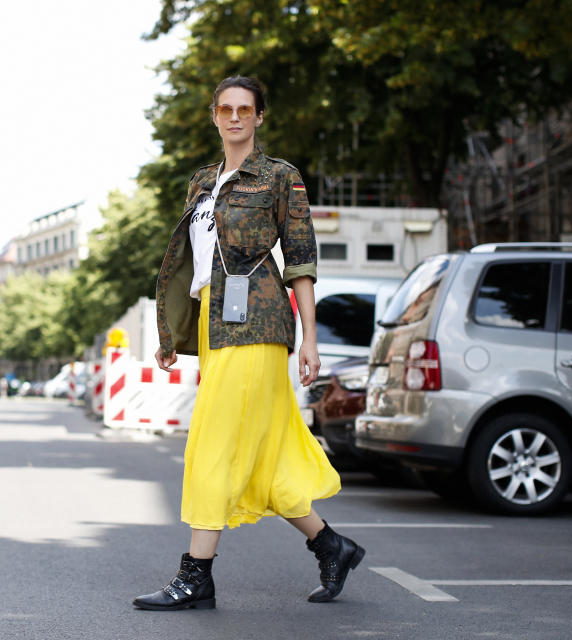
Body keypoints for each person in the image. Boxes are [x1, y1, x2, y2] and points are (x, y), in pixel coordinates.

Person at [133, 76, 365, 611]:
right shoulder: (200, 183)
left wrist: (310, 338)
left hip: (258, 326)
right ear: (214, 116)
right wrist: (173, 335)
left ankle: (196, 576)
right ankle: (333, 546)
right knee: (267, 458)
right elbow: (193, 267)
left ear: (259, 117)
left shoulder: (281, 177)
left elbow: (302, 261)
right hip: (215, 328)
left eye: (245, 109)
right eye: (225, 108)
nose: (235, 116)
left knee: (210, 444)